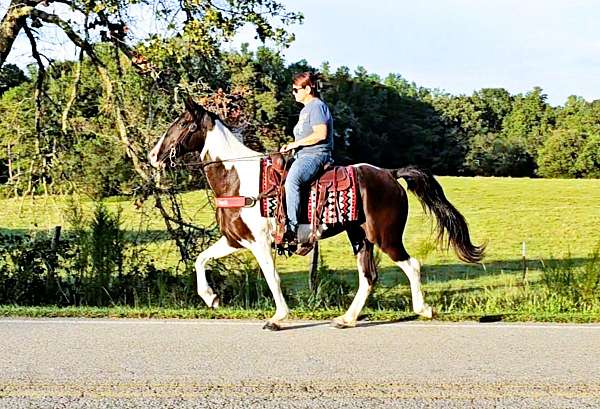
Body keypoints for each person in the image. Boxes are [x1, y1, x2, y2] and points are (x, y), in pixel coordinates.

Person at [280, 72, 334, 244]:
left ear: (308, 89)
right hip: (303, 155)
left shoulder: (316, 106)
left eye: (296, 90)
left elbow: (321, 134)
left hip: (316, 154)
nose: (293, 93)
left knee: (292, 181)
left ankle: (292, 229)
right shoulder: (305, 110)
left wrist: (294, 144)